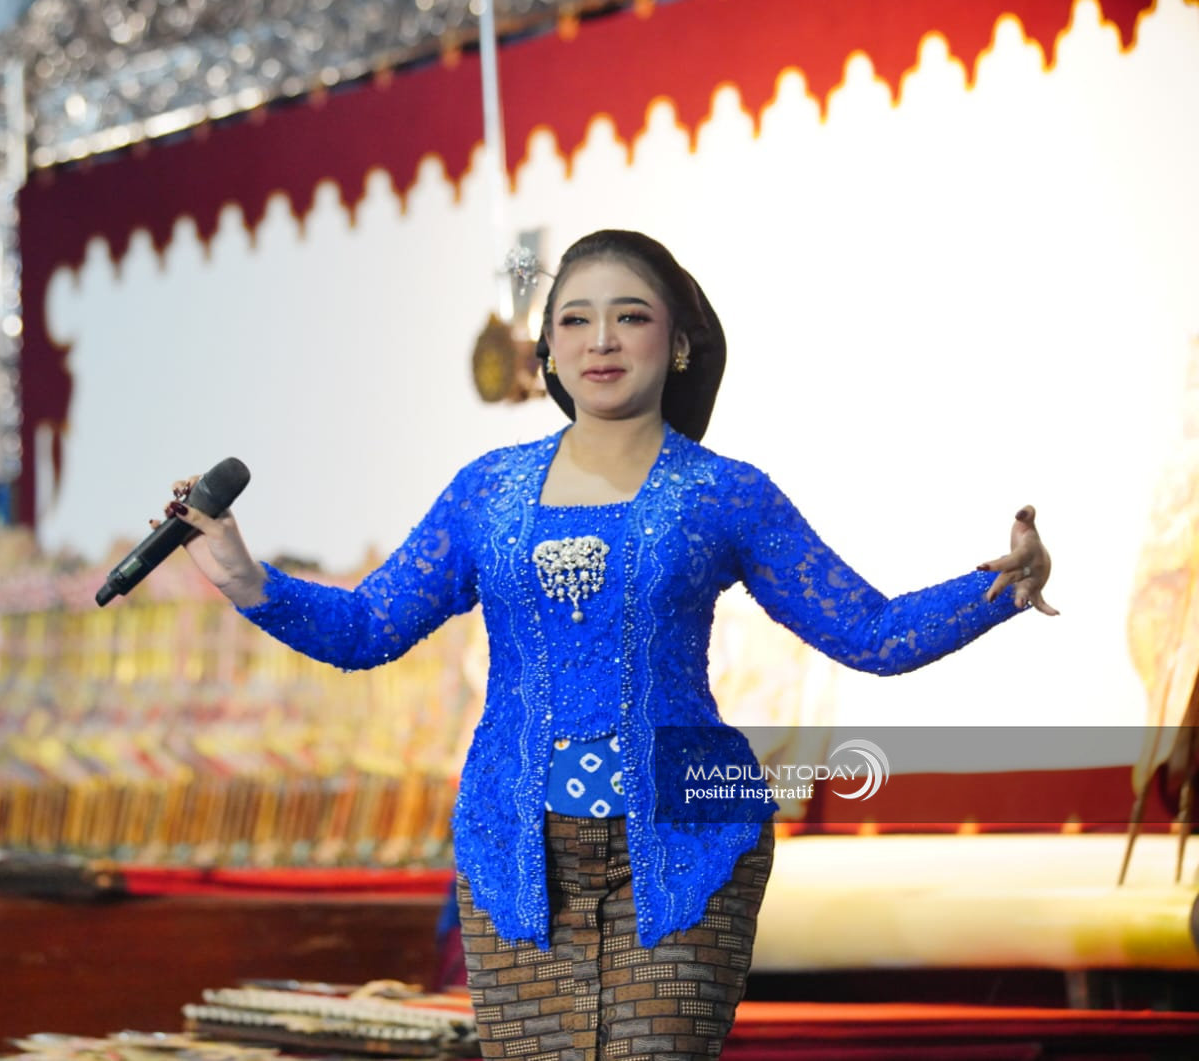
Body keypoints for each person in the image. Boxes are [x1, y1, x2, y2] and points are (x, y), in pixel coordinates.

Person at [162, 229, 1054, 1060]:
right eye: (574, 320)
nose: (601, 340)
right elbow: (366, 628)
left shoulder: (725, 494)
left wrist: (1005, 586)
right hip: (516, 852)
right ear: (548, 350)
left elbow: (871, 632)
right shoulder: (486, 492)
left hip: (688, 848)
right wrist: (244, 575)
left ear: (679, 343)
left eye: (630, 316)